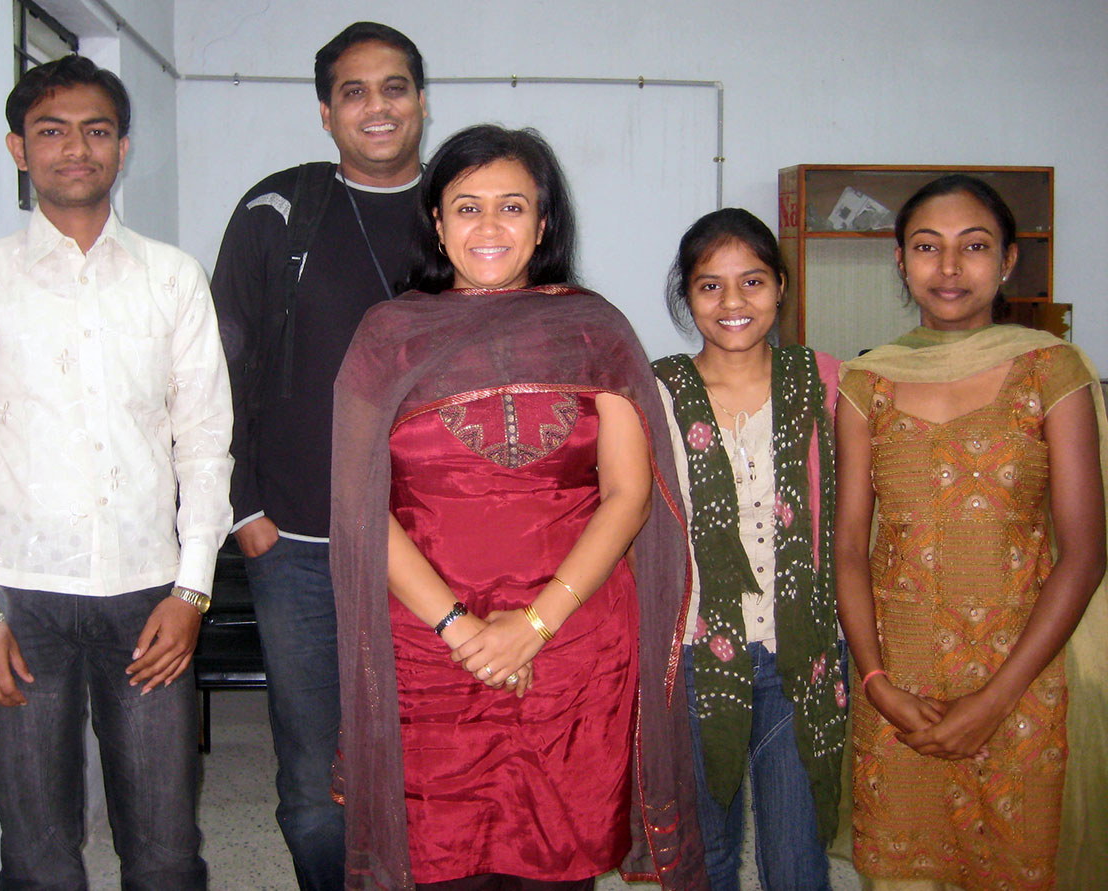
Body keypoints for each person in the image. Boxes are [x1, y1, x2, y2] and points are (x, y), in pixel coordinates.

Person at [330, 124, 706, 891]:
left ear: (543, 224)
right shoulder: (387, 338)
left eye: (512, 206)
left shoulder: (595, 331)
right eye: (467, 207)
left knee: (557, 864)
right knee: (440, 859)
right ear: (436, 222)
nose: (490, 227)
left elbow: (629, 495)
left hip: (574, 648)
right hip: (429, 649)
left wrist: (534, 626)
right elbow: (361, 510)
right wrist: (462, 629)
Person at [0, 55, 233, 888]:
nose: (75, 148)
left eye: (96, 131)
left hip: (149, 597)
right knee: (37, 852)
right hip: (20, 602)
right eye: (51, 131)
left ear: (122, 148)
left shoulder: (172, 278)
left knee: (166, 851)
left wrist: (192, 589)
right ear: (18, 149)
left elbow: (204, 445)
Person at [834, 173, 1108, 890]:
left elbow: (1083, 553)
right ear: (900, 261)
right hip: (902, 690)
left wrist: (994, 700)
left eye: (974, 246)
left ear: (1009, 259)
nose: (949, 267)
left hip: (1022, 684)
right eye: (927, 246)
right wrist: (876, 683)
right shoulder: (868, 383)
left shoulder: (1053, 370)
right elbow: (849, 548)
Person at [210, 21, 426, 889]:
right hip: (296, 541)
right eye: (354, 91)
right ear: (327, 112)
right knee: (312, 775)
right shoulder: (279, 210)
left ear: (420, 98)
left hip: (434, 541)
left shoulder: (466, 211)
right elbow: (218, 364)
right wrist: (245, 509)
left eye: (394, 87)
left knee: (430, 752)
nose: (377, 107)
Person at [652, 209, 847, 891]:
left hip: (805, 654)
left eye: (753, 281)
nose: (733, 303)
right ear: (687, 296)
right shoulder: (657, 392)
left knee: (798, 860)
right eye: (710, 287)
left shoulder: (825, 381)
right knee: (704, 853)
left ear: (782, 286)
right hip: (699, 655)